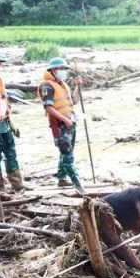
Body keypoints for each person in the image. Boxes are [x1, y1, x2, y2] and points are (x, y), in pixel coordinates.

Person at [38, 57, 85, 194]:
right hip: (59, 124)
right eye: (61, 69)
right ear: (53, 70)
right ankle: (77, 183)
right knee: (67, 153)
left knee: (66, 152)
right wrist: (64, 120)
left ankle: (61, 177)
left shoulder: (62, 84)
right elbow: (49, 107)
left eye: (64, 69)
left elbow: (74, 101)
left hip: (70, 122)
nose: (63, 72)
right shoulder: (47, 86)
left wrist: (77, 87)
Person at [0, 48, 26, 191]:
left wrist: (10, 121)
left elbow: (2, 101)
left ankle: (17, 184)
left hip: (3, 121)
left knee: (11, 152)